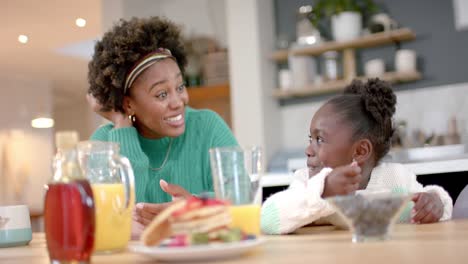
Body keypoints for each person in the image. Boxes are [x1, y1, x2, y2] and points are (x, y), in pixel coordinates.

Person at [86, 16, 238, 234]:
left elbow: (241, 198)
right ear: (128, 104)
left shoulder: (208, 127)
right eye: (162, 94)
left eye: (180, 86)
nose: (179, 102)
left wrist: (194, 207)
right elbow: (107, 222)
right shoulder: (103, 144)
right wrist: (121, 122)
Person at [261, 78, 453, 235]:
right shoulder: (306, 182)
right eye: (310, 138)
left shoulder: (397, 179)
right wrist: (323, 192)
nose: (308, 150)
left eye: (319, 139)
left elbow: (429, 201)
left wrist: (435, 202)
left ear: (360, 151)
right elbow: (267, 219)